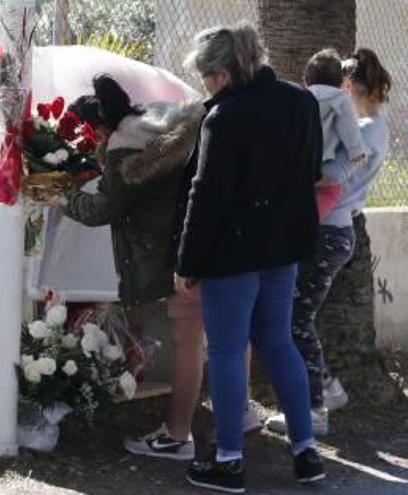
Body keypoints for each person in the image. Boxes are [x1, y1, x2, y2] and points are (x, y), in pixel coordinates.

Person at [54, 75, 260, 462]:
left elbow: (102, 209)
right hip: (228, 243)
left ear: (98, 130)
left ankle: (178, 435)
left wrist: (61, 198)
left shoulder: (125, 152)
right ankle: (241, 412)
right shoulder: (162, 123)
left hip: (186, 254)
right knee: (231, 337)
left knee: (188, 343)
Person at [176, 22, 325, 492]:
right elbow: (312, 171)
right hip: (283, 248)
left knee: (224, 349)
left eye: (205, 77)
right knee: (279, 342)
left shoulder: (224, 117)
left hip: (232, 253)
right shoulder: (302, 102)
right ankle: (306, 453)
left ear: (220, 72)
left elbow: (207, 195)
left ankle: (229, 461)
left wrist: (187, 260)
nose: (206, 87)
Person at [266, 48, 392, 437]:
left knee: (297, 321)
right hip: (331, 231)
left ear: (348, 86)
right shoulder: (371, 125)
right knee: (298, 318)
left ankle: (316, 406)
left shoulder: (365, 128)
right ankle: (326, 389)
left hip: (328, 232)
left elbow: (333, 176)